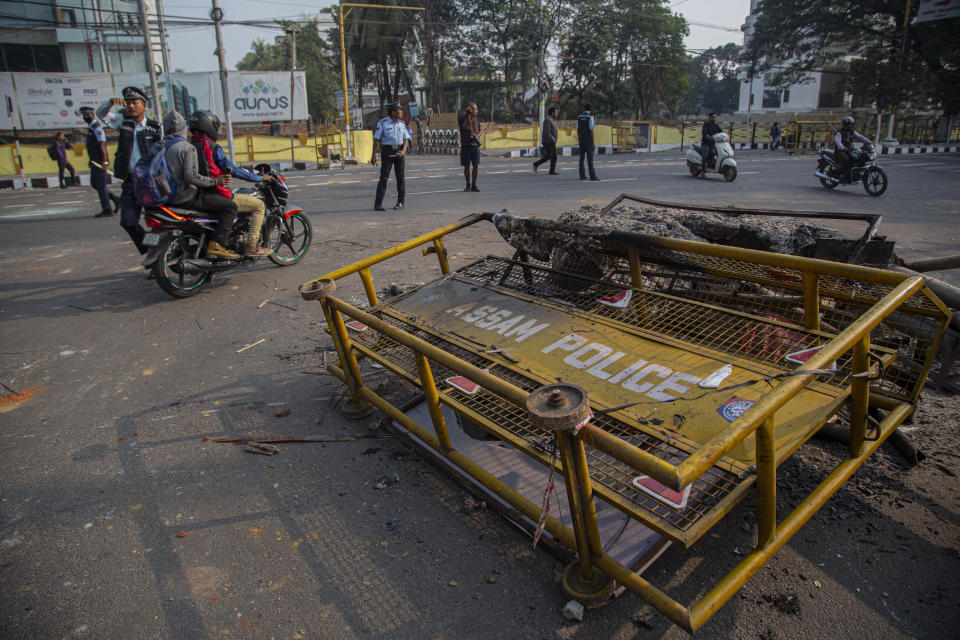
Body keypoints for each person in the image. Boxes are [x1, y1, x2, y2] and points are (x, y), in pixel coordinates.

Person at [187, 110, 274, 256]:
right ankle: (252, 245)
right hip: (216, 194)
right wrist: (259, 178)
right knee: (259, 205)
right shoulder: (211, 147)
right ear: (209, 126)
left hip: (196, 195)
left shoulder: (188, 146)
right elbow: (232, 169)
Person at [161, 111, 239, 259]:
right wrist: (216, 181)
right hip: (184, 196)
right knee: (230, 207)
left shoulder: (160, 146)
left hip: (165, 197)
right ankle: (217, 245)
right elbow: (191, 176)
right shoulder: (186, 147)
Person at [96, 86, 162, 254]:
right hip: (131, 182)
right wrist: (110, 102)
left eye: (135, 102)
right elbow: (101, 114)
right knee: (128, 221)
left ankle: (157, 260)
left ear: (144, 105)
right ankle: (149, 250)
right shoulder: (123, 124)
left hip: (152, 183)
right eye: (128, 103)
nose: (131, 106)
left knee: (158, 223)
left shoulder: (155, 128)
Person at [371, 102, 411, 211]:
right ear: (393, 112)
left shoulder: (402, 124)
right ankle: (378, 204)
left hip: (399, 151)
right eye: (399, 110)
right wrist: (373, 155)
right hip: (387, 152)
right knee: (384, 178)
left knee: (400, 178)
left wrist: (403, 151)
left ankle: (400, 202)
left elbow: (406, 139)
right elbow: (376, 140)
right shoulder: (383, 123)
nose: (402, 112)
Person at [80, 107, 119, 218]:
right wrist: (90, 160)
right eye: (84, 115)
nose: (86, 117)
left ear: (92, 114)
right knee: (95, 184)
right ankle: (115, 198)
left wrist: (105, 161)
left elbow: (102, 145)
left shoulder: (97, 128)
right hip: (94, 161)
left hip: (100, 161)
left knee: (101, 185)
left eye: (88, 114)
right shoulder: (91, 128)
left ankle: (107, 209)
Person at [459, 103, 481, 191]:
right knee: (467, 166)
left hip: (475, 146)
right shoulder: (463, 119)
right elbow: (465, 126)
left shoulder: (476, 119)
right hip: (466, 146)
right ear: (471, 110)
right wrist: (468, 114)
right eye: (475, 109)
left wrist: (477, 136)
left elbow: (480, 129)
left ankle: (474, 185)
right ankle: (468, 185)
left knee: (476, 165)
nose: (477, 111)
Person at [576, 103, 599, 181]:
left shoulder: (579, 117)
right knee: (590, 159)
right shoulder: (590, 118)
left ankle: (582, 175)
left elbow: (577, 129)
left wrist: (579, 140)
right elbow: (591, 130)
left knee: (581, 159)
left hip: (581, 140)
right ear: (590, 109)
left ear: (584, 108)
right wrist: (593, 142)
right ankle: (592, 176)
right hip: (588, 141)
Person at [533, 107, 559, 175]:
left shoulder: (551, 120)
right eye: (556, 112)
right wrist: (552, 140)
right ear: (552, 113)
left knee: (554, 156)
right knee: (549, 155)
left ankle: (552, 171)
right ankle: (536, 164)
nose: (557, 114)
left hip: (552, 141)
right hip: (549, 141)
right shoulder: (547, 120)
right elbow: (547, 132)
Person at [700, 112, 723, 177]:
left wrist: (724, 135)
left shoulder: (715, 125)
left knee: (715, 153)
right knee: (705, 155)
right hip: (706, 143)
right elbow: (704, 133)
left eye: (715, 117)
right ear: (709, 118)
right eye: (713, 117)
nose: (714, 118)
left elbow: (721, 131)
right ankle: (703, 171)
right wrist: (708, 136)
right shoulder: (706, 124)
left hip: (713, 144)